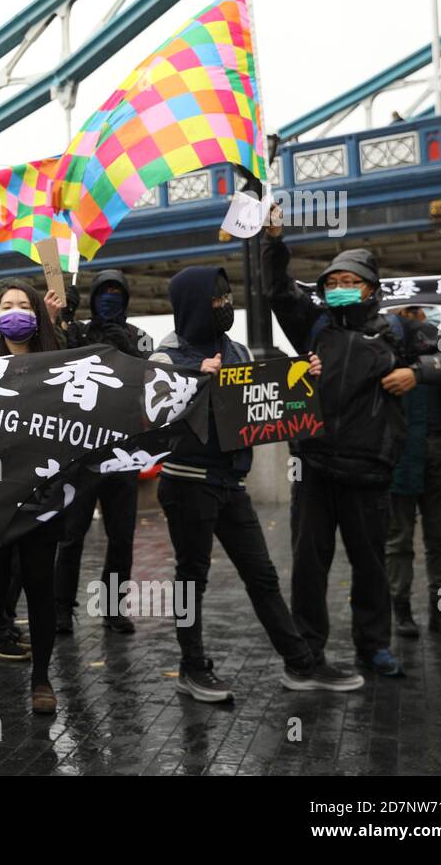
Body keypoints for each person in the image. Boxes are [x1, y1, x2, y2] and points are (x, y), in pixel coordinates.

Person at [262, 209, 441, 677]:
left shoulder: (401, 331)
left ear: (371, 289)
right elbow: (277, 288)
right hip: (315, 469)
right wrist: (274, 239)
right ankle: (309, 650)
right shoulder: (312, 325)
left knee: (371, 565)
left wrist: (416, 372)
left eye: (349, 280)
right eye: (331, 280)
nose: (339, 286)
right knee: (310, 566)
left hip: (371, 472)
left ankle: (374, 647)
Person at [149, 266, 363, 702]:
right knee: (192, 577)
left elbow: (263, 407)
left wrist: (305, 379)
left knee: (262, 575)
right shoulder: (165, 358)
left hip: (230, 483)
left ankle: (300, 663)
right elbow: (155, 421)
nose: (223, 305)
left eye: (227, 296)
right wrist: (193, 382)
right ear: (191, 303)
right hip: (188, 483)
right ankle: (192, 666)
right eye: (214, 298)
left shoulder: (238, 350)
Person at [0, 278, 63, 716]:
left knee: (42, 589)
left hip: (42, 495)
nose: (16, 311)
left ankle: (41, 678)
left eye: (24, 304)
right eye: (8, 305)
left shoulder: (59, 365)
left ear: (37, 313)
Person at [54, 270, 150, 635]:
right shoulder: (76, 333)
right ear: (93, 297)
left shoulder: (139, 339)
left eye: (117, 292)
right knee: (71, 535)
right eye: (103, 292)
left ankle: (114, 609)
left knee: (121, 536)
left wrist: (118, 344)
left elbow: (144, 378)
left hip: (123, 453)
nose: (110, 298)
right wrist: (63, 316)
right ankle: (62, 608)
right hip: (80, 454)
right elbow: (56, 366)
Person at [383, 306, 441, 636]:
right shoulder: (382, 345)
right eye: (408, 312)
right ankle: (402, 611)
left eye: (419, 312)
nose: (416, 318)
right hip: (398, 453)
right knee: (398, 540)